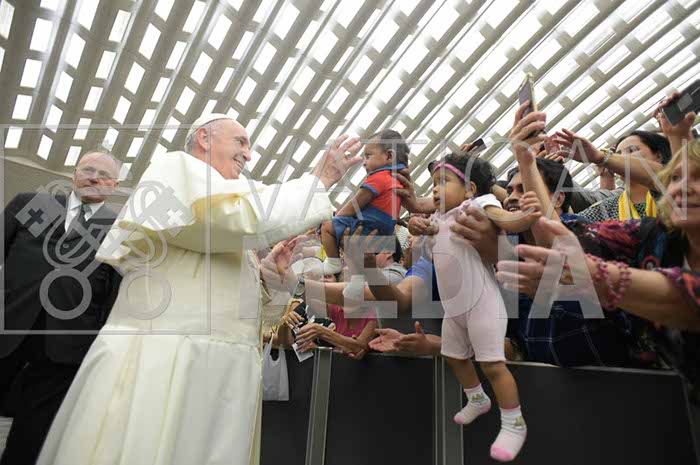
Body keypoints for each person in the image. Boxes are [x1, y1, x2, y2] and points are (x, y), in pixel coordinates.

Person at [36, 114, 362, 465]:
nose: (249, 154)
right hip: (168, 359)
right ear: (205, 138)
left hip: (223, 370)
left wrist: (269, 277)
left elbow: (255, 313)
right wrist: (317, 181)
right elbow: (227, 219)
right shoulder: (176, 168)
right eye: (240, 142)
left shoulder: (226, 206)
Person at [1, 150, 123, 465]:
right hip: (8, 323)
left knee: (32, 433)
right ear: (74, 173)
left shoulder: (119, 229)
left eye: (104, 175)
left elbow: (114, 294)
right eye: (88, 170)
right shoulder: (32, 203)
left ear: (114, 186)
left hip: (67, 345)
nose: (94, 178)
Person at [321, 129, 408, 275]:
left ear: (389, 156)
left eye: (368, 156)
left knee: (326, 227)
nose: (364, 163)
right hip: (385, 233)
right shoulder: (399, 179)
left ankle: (333, 263)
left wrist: (338, 216)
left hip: (369, 225)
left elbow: (356, 203)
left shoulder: (379, 177)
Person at [574, 131, 671, 221]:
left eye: (631, 150)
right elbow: (573, 224)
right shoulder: (606, 208)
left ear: (659, 156)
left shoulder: (672, 189)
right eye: (618, 154)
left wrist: (600, 157)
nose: (623, 157)